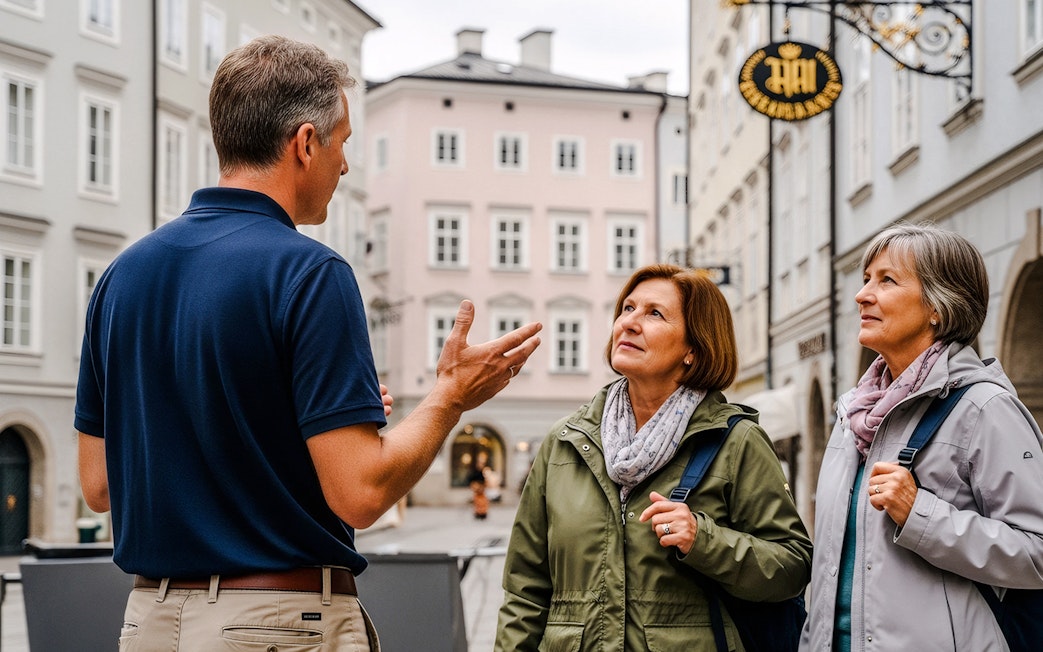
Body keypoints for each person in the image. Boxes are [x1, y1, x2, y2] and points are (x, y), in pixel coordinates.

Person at [75, 35, 541, 651]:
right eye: (342, 143)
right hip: (275, 625)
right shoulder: (309, 272)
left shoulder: (120, 277)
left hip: (150, 623)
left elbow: (99, 486)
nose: (344, 166)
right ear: (304, 142)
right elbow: (361, 493)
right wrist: (449, 399)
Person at [495, 264, 812, 651]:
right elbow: (525, 589)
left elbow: (792, 566)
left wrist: (704, 539)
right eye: (627, 309)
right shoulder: (566, 442)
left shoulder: (736, 441)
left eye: (654, 314)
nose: (629, 323)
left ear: (693, 350)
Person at [800, 223, 1043, 651]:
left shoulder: (984, 408)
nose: (862, 295)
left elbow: (1036, 553)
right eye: (866, 280)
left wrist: (921, 514)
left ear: (938, 306)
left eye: (887, 280)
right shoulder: (852, 415)